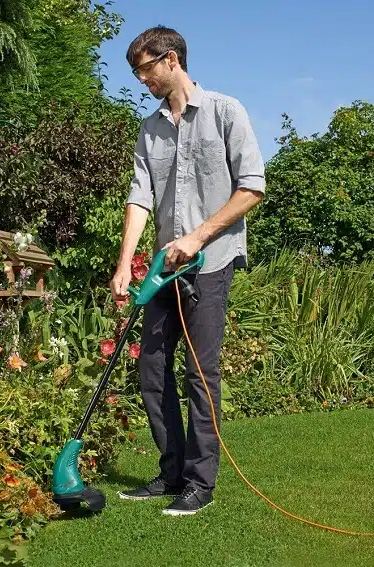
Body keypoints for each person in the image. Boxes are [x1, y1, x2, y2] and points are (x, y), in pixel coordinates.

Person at [110, 25, 266, 516]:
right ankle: (171, 471)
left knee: (201, 375)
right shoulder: (150, 127)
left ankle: (200, 483)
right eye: (137, 72)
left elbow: (253, 187)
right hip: (162, 269)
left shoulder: (225, 111)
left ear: (171, 59)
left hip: (210, 264)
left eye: (145, 68)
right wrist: (124, 263)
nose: (142, 80)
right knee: (152, 371)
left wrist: (198, 237)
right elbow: (140, 197)